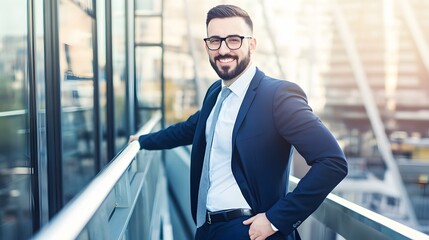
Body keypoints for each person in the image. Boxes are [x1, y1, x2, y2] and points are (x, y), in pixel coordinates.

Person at [129, 4, 347, 240]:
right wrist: (142, 141)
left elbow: (332, 162)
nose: (224, 49)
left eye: (234, 40)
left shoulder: (278, 96)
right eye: (215, 40)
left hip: (249, 230)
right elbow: (190, 128)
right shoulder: (215, 92)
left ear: (252, 44)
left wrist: (275, 220)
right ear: (207, 46)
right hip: (206, 228)